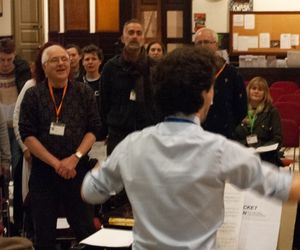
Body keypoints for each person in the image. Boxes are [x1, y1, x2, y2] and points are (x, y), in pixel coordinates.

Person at [81, 46, 300, 250]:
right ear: (206, 95)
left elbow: (91, 191)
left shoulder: (132, 145)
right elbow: (285, 188)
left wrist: (102, 168)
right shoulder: (220, 150)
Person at [19, 44, 101, 249]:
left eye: (64, 59)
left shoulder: (84, 92)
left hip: (76, 172)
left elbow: (93, 130)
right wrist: (57, 164)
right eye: (54, 60)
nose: (61, 63)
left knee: (87, 233)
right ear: (44, 66)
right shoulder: (33, 95)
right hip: (44, 174)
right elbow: (27, 135)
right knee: (43, 236)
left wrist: (75, 158)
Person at [100, 19, 157, 155]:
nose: (134, 36)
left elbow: (162, 99)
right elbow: (104, 101)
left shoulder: (155, 67)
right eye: (130, 33)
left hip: (148, 132)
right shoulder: (111, 67)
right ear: (122, 38)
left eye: (139, 33)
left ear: (144, 38)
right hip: (119, 133)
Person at [0, 38, 31, 234]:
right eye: (1, 60)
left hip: (16, 125)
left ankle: (19, 221)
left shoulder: (22, 71)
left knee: (18, 172)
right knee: (4, 173)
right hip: (0, 126)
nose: (5, 64)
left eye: (9, 60)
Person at [194, 27, 247, 139]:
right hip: (195, 134)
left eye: (207, 42)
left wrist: (230, 126)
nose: (203, 46)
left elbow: (241, 107)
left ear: (216, 45)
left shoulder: (231, 73)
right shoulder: (188, 72)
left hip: (225, 134)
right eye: (199, 43)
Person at [234, 76, 282, 166]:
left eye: (260, 89)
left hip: (266, 158)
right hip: (243, 156)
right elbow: (232, 135)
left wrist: (261, 148)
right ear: (248, 90)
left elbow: (277, 138)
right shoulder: (239, 110)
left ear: (265, 93)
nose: (256, 91)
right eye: (254, 88)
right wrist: (246, 147)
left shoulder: (272, 112)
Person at [81, 44, 103, 117]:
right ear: (82, 63)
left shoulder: (105, 81)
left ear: (100, 61)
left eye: (94, 59)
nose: (90, 62)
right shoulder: (78, 83)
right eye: (87, 59)